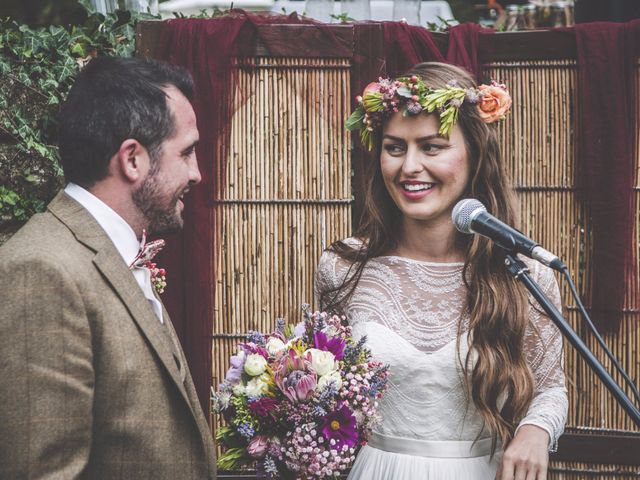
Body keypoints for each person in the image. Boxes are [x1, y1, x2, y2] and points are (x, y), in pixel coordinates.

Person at [316, 62, 567, 480]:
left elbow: (551, 387)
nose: (409, 166)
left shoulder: (523, 274)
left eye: (431, 147)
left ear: (475, 155)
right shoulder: (343, 268)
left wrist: (535, 430)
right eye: (395, 147)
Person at [0, 56, 216, 479]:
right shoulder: (42, 271)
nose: (197, 174)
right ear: (132, 159)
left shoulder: (111, 251)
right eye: (187, 152)